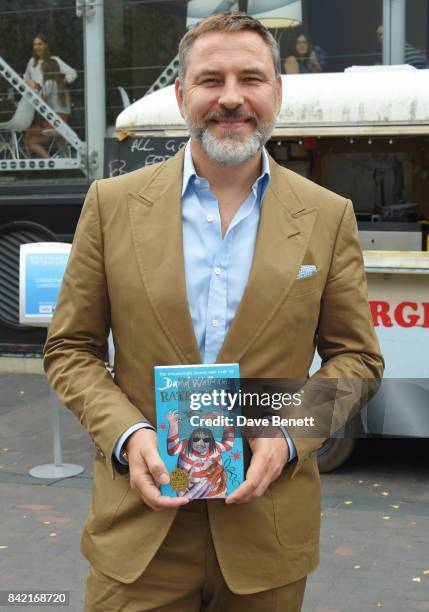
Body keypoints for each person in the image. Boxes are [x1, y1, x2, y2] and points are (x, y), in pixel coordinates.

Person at [43, 11, 384, 612]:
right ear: (181, 95)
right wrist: (127, 433)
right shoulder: (112, 204)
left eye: (251, 78)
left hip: (266, 530)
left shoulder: (327, 215)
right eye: (210, 80)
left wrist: (287, 431)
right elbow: (71, 350)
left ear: (277, 92)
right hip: (139, 534)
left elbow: (356, 358)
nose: (231, 98)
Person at [26, 58, 71, 158]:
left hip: (53, 122)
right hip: (62, 121)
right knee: (33, 139)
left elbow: (39, 102)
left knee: (28, 132)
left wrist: (33, 87)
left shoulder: (49, 82)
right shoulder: (61, 85)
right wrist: (40, 88)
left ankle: (44, 159)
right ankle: (47, 159)